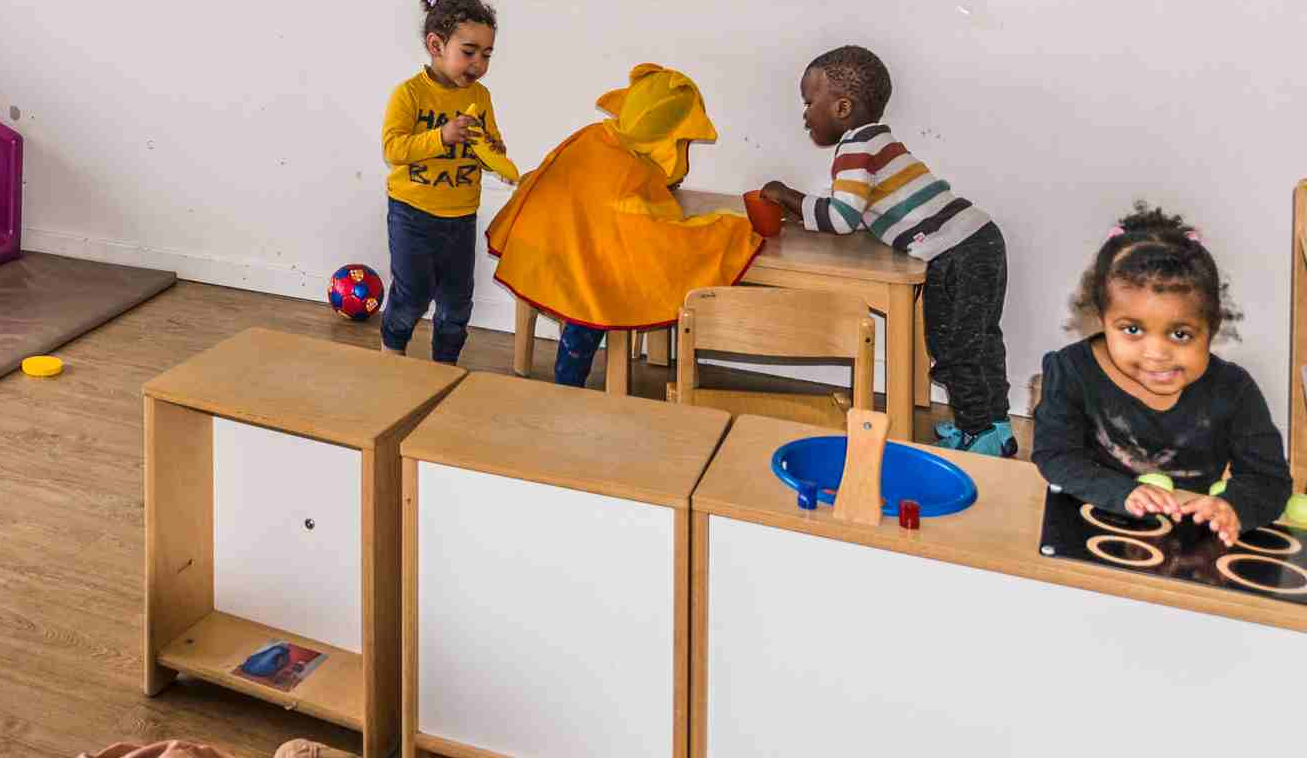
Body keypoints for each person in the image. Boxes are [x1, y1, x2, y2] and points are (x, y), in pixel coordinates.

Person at [760, 44, 1013, 455]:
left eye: (809, 103)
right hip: (981, 238)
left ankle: (978, 435)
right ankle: (997, 425)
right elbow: (864, 211)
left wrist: (787, 196)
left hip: (955, 254)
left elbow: (843, 217)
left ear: (842, 107)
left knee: (954, 348)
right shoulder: (880, 140)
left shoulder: (854, 148)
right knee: (982, 340)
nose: (805, 115)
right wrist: (807, 214)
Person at [489, 63, 760, 388]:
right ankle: (568, 383)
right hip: (573, 259)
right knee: (607, 280)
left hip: (544, 240)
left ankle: (566, 373)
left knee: (599, 263)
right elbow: (654, 235)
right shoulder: (629, 172)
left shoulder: (595, 136)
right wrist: (730, 228)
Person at [1032, 207, 1291, 543]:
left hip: (1187, 547)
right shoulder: (1071, 371)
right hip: (1086, 530)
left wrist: (1232, 507)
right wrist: (1122, 492)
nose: (1156, 354)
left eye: (1180, 334)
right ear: (1102, 318)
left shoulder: (1233, 390)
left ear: (1212, 327)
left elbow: (1269, 481)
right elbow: (1056, 455)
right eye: (1132, 329)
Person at [377, 0, 519, 365]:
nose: (479, 64)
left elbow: (490, 146)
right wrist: (442, 136)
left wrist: (493, 151)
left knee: (457, 302)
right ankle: (391, 353)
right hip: (412, 214)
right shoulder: (409, 94)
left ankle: (445, 367)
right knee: (413, 296)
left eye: (486, 55)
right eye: (469, 52)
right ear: (436, 46)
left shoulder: (481, 96)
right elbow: (393, 149)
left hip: (461, 217)